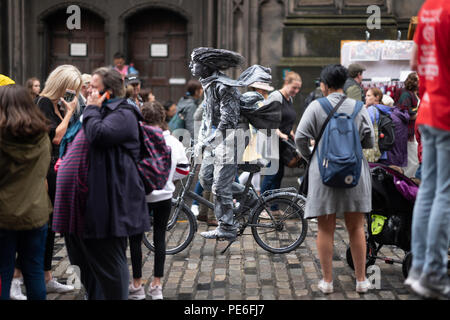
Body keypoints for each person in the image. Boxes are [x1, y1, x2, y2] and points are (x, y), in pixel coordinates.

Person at [59, 67, 148, 300]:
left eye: (94, 86)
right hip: (78, 205)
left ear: (108, 92)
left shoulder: (124, 113)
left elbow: (99, 135)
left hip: (106, 205)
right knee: (83, 262)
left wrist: (91, 109)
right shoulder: (97, 111)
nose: (88, 90)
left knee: (108, 263)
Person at [295, 64, 375, 294]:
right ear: (343, 84)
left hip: (324, 173)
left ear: (325, 85)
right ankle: (361, 280)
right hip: (355, 173)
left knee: (325, 228)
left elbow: (300, 136)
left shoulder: (315, 106)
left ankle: (328, 282)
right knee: (356, 227)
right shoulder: (359, 107)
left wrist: (311, 156)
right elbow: (369, 140)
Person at [191, 47, 270, 241]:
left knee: (220, 186)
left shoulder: (223, 86)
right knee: (206, 178)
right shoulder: (209, 84)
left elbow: (228, 121)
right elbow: (209, 118)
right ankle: (249, 197)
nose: (191, 66)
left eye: (194, 62)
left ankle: (227, 227)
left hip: (234, 137)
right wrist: (201, 142)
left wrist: (208, 142)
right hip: (221, 137)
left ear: (206, 65)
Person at [405, 0, 450, 300]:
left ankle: (419, 268)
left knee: (430, 190)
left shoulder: (430, 7)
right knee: (445, 192)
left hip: (429, 109)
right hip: (447, 112)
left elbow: (414, 65)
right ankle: (433, 271)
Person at [128, 101, 189, 300]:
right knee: (160, 238)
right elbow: (184, 170)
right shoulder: (173, 141)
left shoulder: (136, 139)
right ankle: (157, 285)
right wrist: (166, 176)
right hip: (164, 195)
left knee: (135, 240)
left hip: (140, 196)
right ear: (163, 119)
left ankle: (136, 285)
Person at [0, 84, 52, 300]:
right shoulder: (42, 136)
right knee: (34, 272)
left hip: (3, 215)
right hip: (36, 213)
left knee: (2, 273)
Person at [33, 65, 81, 295]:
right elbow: (56, 137)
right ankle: (37, 275)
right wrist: (70, 111)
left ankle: (46, 275)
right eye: (71, 87)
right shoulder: (43, 103)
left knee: (52, 225)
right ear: (60, 84)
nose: (73, 92)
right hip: (47, 169)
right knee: (47, 224)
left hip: (58, 167)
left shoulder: (55, 104)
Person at [260, 71, 302, 212]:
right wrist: (278, 132)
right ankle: (262, 208)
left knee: (279, 176)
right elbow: (266, 117)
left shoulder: (290, 98)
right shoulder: (276, 96)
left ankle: (274, 207)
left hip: (283, 143)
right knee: (271, 174)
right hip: (273, 141)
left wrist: (290, 133)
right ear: (286, 83)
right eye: (294, 88)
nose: (296, 91)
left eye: (298, 88)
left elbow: (286, 119)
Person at [238, 81, 275, 195]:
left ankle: (238, 186)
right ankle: (256, 193)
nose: (264, 91)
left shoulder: (261, 101)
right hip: (253, 136)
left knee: (255, 166)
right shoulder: (252, 100)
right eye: (262, 89)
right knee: (255, 165)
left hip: (258, 135)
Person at [396, 72, 420, 177]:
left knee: (413, 158)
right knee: (412, 159)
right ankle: (408, 182)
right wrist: (421, 114)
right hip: (408, 132)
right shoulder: (406, 94)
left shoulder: (416, 93)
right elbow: (404, 114)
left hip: (415, 131)